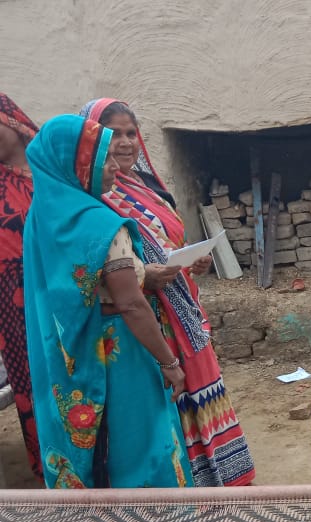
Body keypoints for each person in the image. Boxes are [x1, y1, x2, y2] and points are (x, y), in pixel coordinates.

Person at [81, 98, 255, 487]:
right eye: (113, 134)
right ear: (92, 141)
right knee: (169, 398)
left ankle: (223, 475)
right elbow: (100, 270)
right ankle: (190, 481)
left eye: (131, 133)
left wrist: (191, 260)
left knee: (196, 386)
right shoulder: (95, 197)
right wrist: (145, 276)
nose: (125, 143)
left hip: (179, 306)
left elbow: (166, 241)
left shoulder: (146, 187)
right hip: (144, 320)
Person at [22, 115, 192, 489]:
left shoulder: (41, 217)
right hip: (121, 354)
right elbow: (131, 304)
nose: (115, 166)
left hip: (69, 355)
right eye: (103, 158)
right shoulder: (101, 225)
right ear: (76, 164)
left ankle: (96, 521)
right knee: (140, 447)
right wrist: (169, 362)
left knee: (96, 450)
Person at [0, 93, 42, 480]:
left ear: (11, 121)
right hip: (11, 299)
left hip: (58, 285)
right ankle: (50, 464)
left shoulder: (51, 168)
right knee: (29, 378)